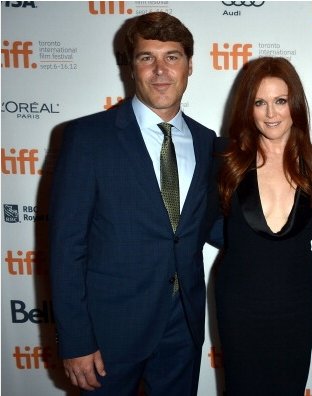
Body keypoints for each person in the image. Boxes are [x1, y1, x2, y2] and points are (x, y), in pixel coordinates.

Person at [50, 12, 216, 395]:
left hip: (183, 328)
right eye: (147, 58)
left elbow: (214, 226)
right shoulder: (87, 138)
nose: (160, 70)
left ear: (189, 65)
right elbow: (65, 246)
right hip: (108, 336)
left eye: (172, 57)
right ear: (130, 66)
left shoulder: (209, 143)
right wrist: (76, 340)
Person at [214, 57, 312, 395]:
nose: (271, 114)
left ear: (294, 103)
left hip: (297, 304)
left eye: (280, 101)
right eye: (260, 102)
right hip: (239, 305)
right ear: (247, 108)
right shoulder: (226, 160)